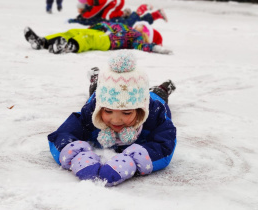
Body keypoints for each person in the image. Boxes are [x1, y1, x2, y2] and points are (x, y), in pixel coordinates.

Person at [47, 52, 177, 186]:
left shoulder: (155, 114)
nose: (115, 120)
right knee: (95, 90)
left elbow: (165, 144)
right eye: (108, 111)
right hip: (105, 94)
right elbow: (63, 134)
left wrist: (133, 161)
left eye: (126, 113)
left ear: (140, 111)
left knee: (156, 93)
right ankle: (96, 79)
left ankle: (164, 88)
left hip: (147, 96)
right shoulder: (92, 111)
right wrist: (76, 156)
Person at [24, 22, 172, 54]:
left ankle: (70, 46)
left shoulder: (137, 36)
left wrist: (155, 47)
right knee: (72, 31)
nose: (139, 26)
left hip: (110, 41)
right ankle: (42, 41)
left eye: (143, 28)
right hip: (100, 31)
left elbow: (141, 46)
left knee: (88, 39)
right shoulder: (126, 26)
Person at [70, 3, 167, 27]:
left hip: (110, 21)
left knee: (128, 25)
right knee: (136, 25)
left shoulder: (89, 11)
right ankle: (157, 14)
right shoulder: (86, 12)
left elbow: (88, 20)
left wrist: (73, 21)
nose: (78, 10)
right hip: (111, 19)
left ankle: (140, 10)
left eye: (79, 8)